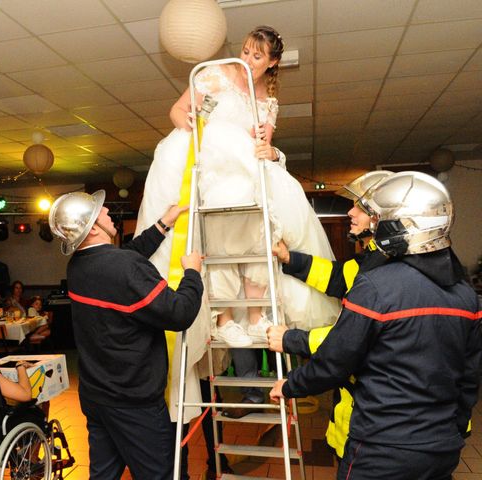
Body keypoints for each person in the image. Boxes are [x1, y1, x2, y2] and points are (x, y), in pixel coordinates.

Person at [136, 25, 339, 348]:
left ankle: (257, 315)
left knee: (263, 229)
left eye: (257, 56)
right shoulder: (214, 75)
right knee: (220, 232)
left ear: (272, 63)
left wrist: (270, 151)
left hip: (244, 172)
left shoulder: (268, 102)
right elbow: (177, 110)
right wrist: (188, 125)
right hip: (211, 166)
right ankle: (225, 317)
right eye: (245, 51)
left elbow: (262, 146)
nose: (247, 58)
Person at [270, 171, 482, 480]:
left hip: (381, 447)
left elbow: (336, 360)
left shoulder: (376, 286)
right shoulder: (466, 295)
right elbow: (468, 377)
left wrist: (291, 384)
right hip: (442, 448)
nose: (354, 214)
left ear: (398, 226)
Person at [49, 190, 203, 480]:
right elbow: (180, 313)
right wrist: (192, 273)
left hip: (97, 396)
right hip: (133, 401)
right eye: (101, 211)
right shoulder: (126, 268)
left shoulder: (78, 266)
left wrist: (162, 224)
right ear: (93, 227)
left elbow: (123, 259)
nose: (107, 211)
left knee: (103, 476)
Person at [266, 170, 392, 457]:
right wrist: (290, 259)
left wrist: (292, 339)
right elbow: (337, 277)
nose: (351, 212)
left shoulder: (384, 276)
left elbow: (349, 342)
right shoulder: (376, 260)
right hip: (373, 422)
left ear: (383, 216)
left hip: (376, 434)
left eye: (360, 207)